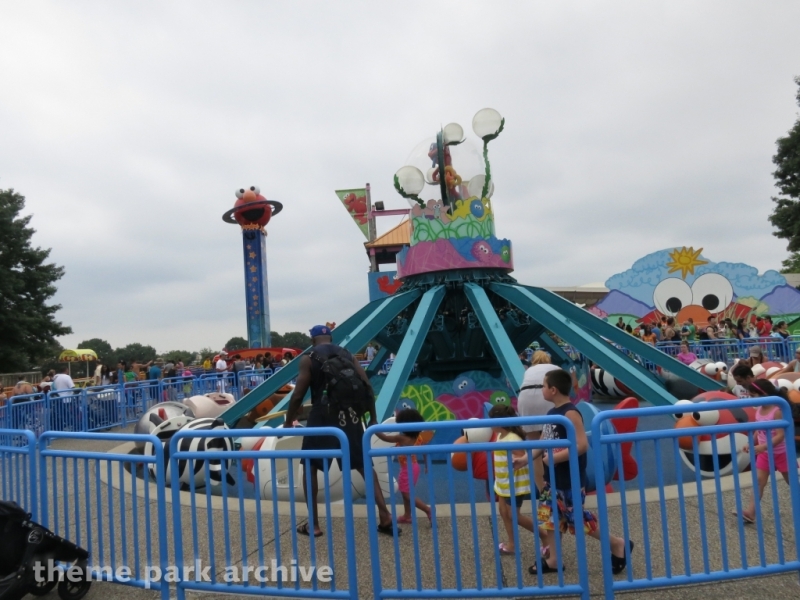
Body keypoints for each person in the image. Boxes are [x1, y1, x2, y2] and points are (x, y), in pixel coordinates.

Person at [284, 325, 400, 537]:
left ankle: (314, 525)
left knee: (310, 466)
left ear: (313, 340)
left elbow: (298, 395)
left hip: (322, 417)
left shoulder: (309, 358)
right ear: (330, 337)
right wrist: (372, 417)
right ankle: (385, 517)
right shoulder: (346, 354)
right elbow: (367, 386)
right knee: (365, 465)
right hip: (351, 416)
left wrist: (288, 421)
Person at [524, 369, 632, 575]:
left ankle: (617, 544)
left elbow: (581, 444)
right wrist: (526, 458)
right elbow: (545, 440)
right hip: (553, 478)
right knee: (550, 517)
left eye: (544, 386)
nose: (542, 390)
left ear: (553, 390)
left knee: (577, 519)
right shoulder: (551, 413)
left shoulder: (570, 413)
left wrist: (553, 458)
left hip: (569, 477)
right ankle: (554, 559)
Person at [734, 380, 794, 524]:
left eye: (753, 395)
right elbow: (759, 429)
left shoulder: (777, 410)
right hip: (765, 454)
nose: (751, 398)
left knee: (791, 482)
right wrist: (751, 442)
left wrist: (763, 446)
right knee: (758, 481)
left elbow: (780, 435)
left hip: (781, 453)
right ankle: (750, 512)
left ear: (764, 394)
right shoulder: (759, 409)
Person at [488, 404, 544, 557]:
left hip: (514, 483)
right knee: (503, 511)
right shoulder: (501, 436)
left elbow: (522, 456)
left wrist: (515, 460)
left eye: (490, 420)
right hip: (503, 482)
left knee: (514, 515)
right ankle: (512, 543)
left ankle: (544, 535)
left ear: (498, 422)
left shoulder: (512, 439)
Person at [374, 408, 432, 525]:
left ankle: (427, 509)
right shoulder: (419, 437)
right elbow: (425, 450)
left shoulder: (402, 438)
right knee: (406, 491)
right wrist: (426, 465)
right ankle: (407, 516)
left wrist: (374, 428)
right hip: (414, 467)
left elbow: (384, 437)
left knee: (407, 494)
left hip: (408, 469)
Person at [516, 351, 559, 492]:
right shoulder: (555, 368)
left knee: (535, 447)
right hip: (547, 398)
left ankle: (542, 490)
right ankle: (559, 485)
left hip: (526, 400)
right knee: (556, 442)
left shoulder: (529, 370)